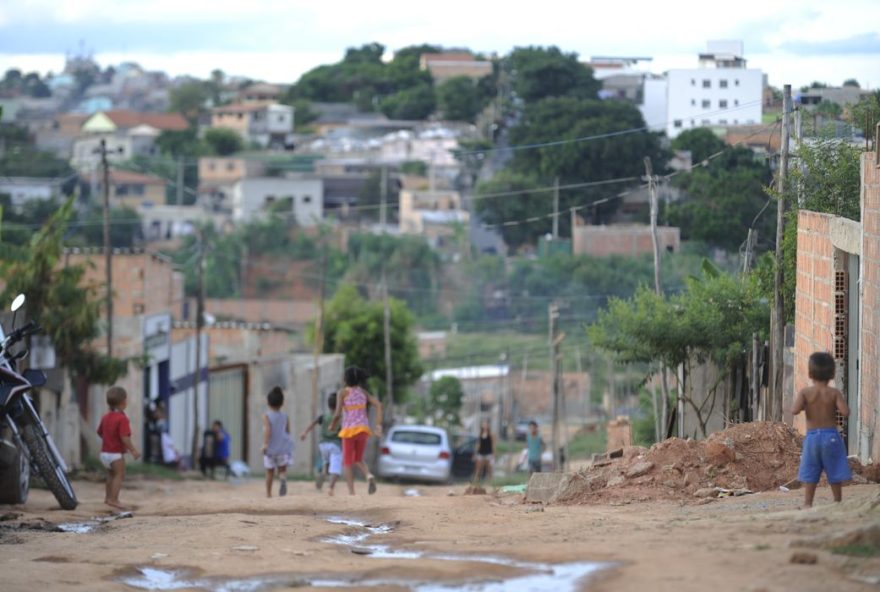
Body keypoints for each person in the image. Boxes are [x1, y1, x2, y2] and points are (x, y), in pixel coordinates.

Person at [792, 351, 852, 508]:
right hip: (831, 436)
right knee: (834, 469)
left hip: (812, 438)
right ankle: (837, 502)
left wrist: (806, 405)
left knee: (811, 471)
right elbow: (845, 412)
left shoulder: (805, 393)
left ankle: (807, 503)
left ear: (810, 374)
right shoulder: (834, 393)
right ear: (832, 374)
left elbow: (794, 410)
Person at [329, 366, 383, 495]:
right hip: (363, 429)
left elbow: (337, 414)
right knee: (358, 459)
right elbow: (378, 405)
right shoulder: (363, 392)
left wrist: (332, 425)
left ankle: (352, 492)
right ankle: (368, 475)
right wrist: (378, 425)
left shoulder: (342, 393)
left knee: (347, 462)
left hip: (348, 431)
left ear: (345, 379)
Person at [96, 386, 141, 510]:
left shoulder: (106, 417)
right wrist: (133, 450)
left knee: (110, 474)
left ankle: (107, 498)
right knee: (119, 475)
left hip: (104, 453)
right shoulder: (122, 418)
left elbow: (99, 432)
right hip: (115, 454)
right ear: (123, 402)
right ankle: (114, 499)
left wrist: (108, 439)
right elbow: (124, 437)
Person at [300, 393, 342, 496]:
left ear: (328, 405)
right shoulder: (339, 418)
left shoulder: (324, 416)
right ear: (339, 405)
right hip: (335, 444)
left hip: (323, 444)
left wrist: (305, 432)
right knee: (335, 468)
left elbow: (314, 423)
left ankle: (323, 474)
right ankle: (330, 488)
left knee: (326, 465)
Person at [262, 386, 293, 498]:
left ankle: (269, 494)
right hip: (283, 448)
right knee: (282, 469)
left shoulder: (267, 416)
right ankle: (283, 479)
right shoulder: (285, 416)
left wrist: (265, 444)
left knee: (270, 471)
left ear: (268, 403)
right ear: (282, 403)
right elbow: (288, 431)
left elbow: (268, 431)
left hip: (271, 448)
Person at [472, 419, 495, 484]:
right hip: (481, 453)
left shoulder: (491, 434)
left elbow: (493, 444)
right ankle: (475, 482)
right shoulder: (480, 434)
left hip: (488, 453)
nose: (484, 426)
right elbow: (478, 445)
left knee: (489, 470)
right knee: (478, 469)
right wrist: (475, 453)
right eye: (483, 424)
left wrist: (493, 454)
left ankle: (490, 483)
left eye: (486, 424)